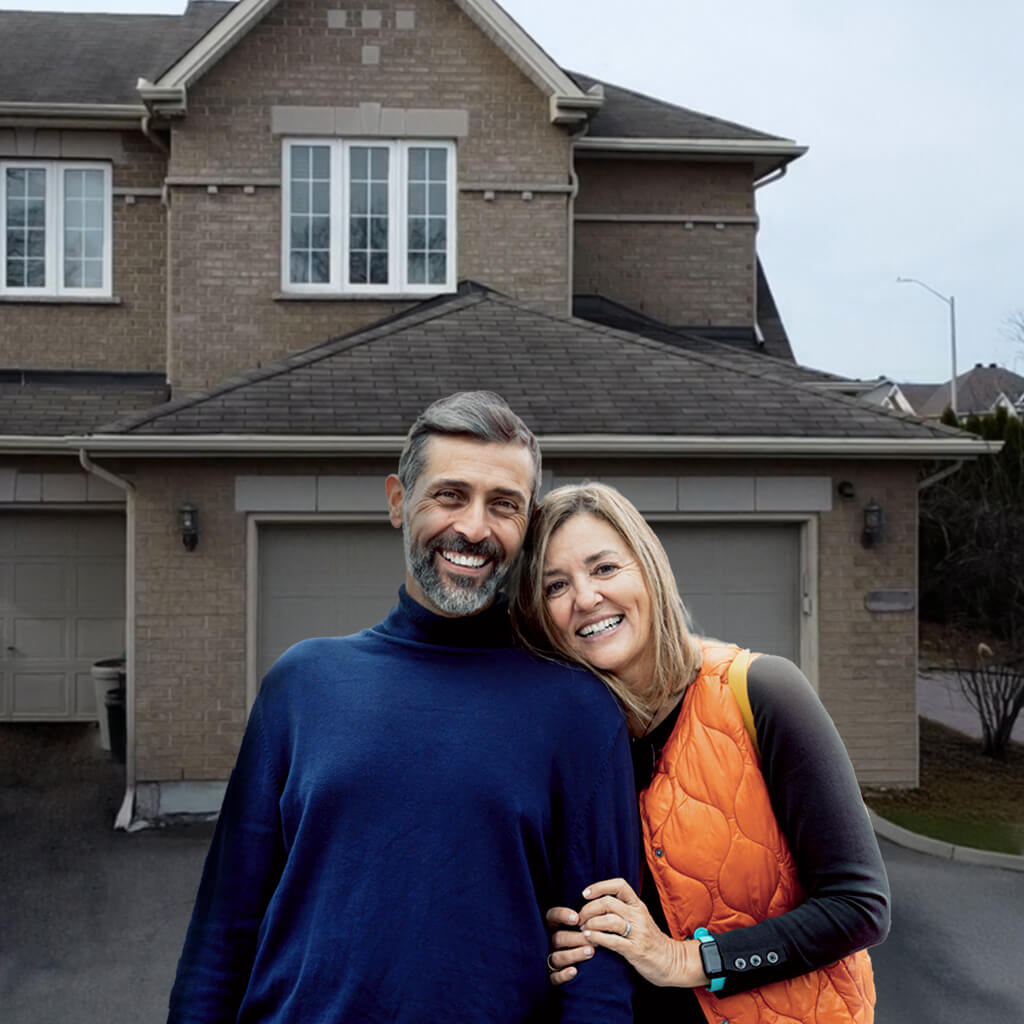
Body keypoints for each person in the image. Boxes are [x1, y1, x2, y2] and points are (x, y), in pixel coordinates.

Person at [167, 394, 639, 1023]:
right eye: (450, 495)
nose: (473, 528)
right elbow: (221, 933)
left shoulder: (579, 711)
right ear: (397, 500)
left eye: (503, 505)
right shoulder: (302, 685)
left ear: (526, 526)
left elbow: (598, 969)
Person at [511, 482, 890, 1024]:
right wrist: (557, 944)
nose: (585, 597)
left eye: (604, 568)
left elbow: (860, 907)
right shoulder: (568, 743)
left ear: (649, 567)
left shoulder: (760, 692)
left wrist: (685, 958)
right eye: (556, 585)